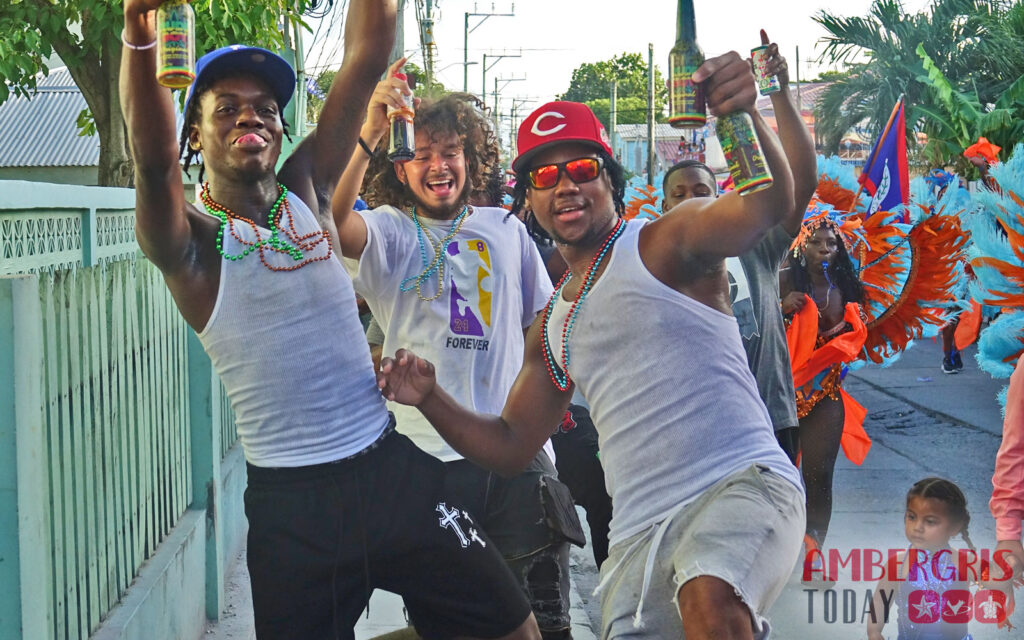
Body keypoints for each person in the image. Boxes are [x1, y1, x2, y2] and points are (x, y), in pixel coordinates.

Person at [119, 2, 539, 638]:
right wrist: (141, 37)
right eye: (225, 107)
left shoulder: (308, 190)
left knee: (513, 628)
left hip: (388, 469)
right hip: (294, 509)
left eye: (264, 107)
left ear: (282, 130)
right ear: (194, 135)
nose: (249, 116)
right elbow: (151, 166)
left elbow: (366, 52)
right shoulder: (192, 246)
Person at [376, 51, 806, 640]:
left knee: (711, 600)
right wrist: (429, 398)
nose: (566, 186)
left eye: (581, 168)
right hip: (638, 538)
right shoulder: (554, 325)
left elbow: (765, 203)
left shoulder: (665, 243)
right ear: (528, 199)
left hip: (736, 486)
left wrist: (741, 114)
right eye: (546, 177)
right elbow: (508, 444)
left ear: (610, 179)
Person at [330, 71, 578, 639]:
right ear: (400, 167)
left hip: (517, 460)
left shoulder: (507, 232)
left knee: (544, 621)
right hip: (424, 467)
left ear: (472, 160)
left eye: (451, 152)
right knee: (450, 624)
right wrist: (370, 129)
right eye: (421, 155)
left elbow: (542, 332)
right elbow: (333, 222)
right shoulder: (390, 232)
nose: (438, 165)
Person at [660, 32, 815, 465]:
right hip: (694, 427)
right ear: (662, 206)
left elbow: (797, 182)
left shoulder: (754, 243)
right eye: (679, 194)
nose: (691, 200)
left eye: (702, 190)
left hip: (768, 416)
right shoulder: (654, 260)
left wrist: (768, 93)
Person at [780, 213, 866, 557]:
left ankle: (815, 551)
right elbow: (750, 325)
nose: (824, 250)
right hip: (780, 396)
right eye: (816, 243)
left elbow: (858, 342)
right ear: (802, 246)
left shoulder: (846, 288)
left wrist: (856, 326)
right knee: (779, 479)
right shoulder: (782, 279)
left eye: (832, 243)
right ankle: (779, 550)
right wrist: (781, 308)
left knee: (818, 478)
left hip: (824, 395)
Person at [867, 478, 976, 640]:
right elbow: (879, 602)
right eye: (912, 517)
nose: (917, 527)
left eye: (930, 521)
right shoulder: (897, 565)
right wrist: (874, 632)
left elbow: (995, 578)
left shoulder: (964, 563)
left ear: (954, 527)